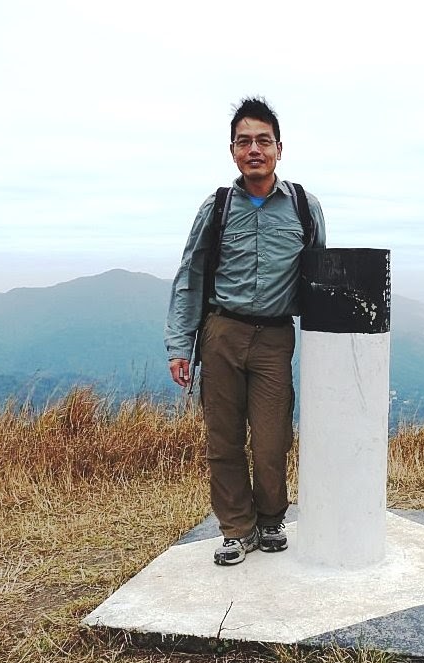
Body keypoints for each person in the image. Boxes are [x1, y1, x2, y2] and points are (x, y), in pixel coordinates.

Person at [164, 97, 326, 566]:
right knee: (224, 439)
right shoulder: (216, 207)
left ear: (279, 149)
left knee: (273, 439)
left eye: (263, 141)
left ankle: (271, 519)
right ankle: (237, 529)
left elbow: (319, 274)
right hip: (221, 333)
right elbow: (191, 275)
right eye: (244, 141)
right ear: (233, 150)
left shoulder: (303, 206)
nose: (254, 149)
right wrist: (180, 345)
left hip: (275, 337)